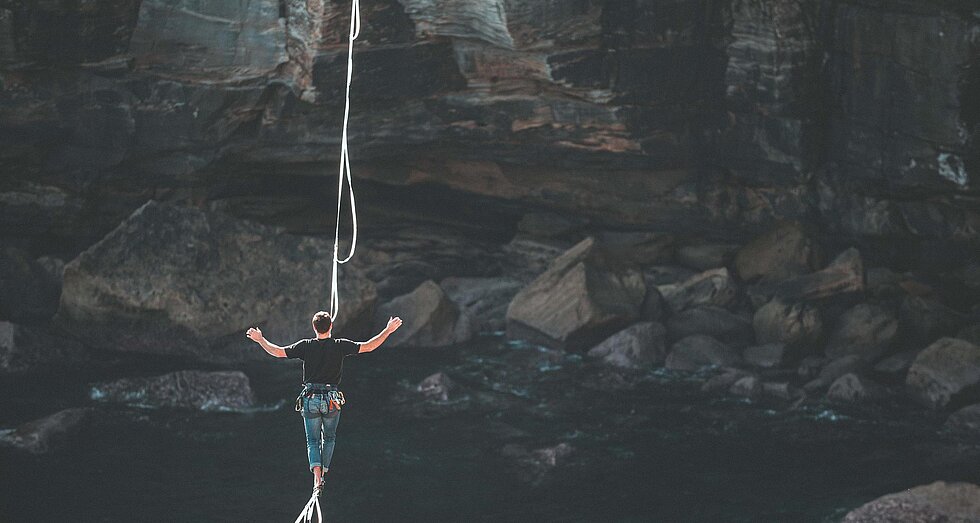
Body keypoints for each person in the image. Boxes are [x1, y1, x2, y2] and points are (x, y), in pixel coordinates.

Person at [246, 312, 403, 496]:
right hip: (331, 399)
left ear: (314, 328)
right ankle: (324, 472)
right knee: (329, 438)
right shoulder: (339, 345)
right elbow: (369, 346)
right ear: (331, 327)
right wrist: (388, 330)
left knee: (312, 441)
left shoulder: (305, 346)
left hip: (311, 398)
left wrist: (260, 339)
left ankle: (317, 478)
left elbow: (278, 352)